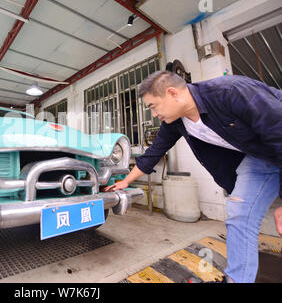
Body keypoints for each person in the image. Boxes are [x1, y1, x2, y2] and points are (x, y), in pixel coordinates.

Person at [104, 71, 282, 283]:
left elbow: (277, 131)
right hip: (259, 159)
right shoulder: (175, 122)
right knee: (239, 213)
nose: (153, 114)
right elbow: (153, 153)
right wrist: (125, 181)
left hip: (276, 144)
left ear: (172, 93)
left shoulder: (229, 92)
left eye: (153, 106)